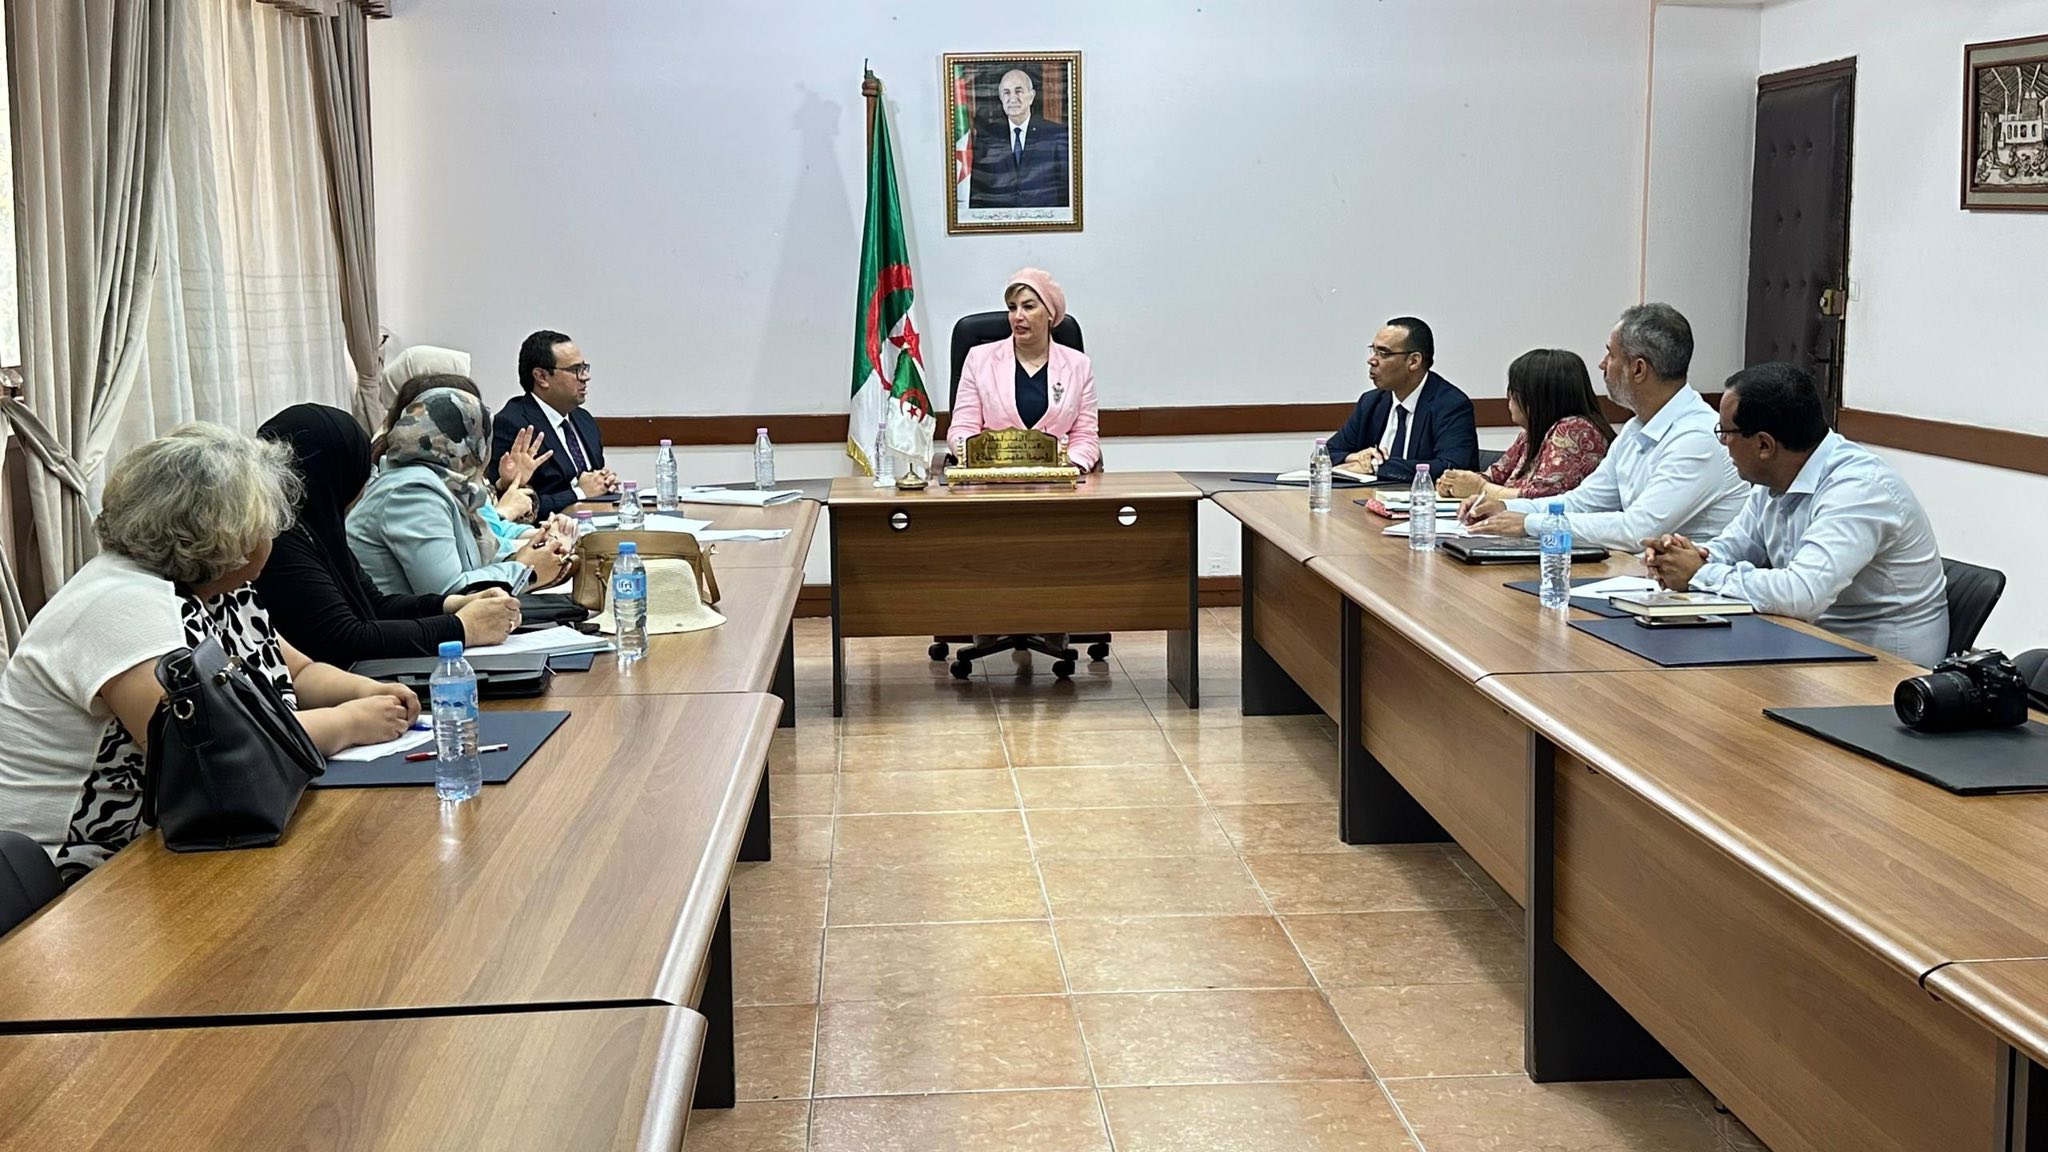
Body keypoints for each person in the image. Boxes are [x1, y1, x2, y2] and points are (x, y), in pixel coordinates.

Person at [0, 423, 419, 883]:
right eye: (266, 525)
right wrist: (350, 722)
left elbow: (297, 672)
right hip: (77, 870)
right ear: (230, 535)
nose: (272, 538)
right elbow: (216, 754)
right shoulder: (126, 607)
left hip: (181, 835)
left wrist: (366, 690)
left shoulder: (218, 587)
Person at [1642, 362, 1948, 666]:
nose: (1722, 443)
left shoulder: (1858, 488)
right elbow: (1734, 546)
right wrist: (1681, 557)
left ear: (1764, 445)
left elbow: (1801, 594)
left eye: (1725, 432)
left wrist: (1699, 573)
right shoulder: (1773, 478)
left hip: (1881, 665)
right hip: (1810, 643)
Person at [255, 403, 524, 668]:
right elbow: (346, 640)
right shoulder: (278, 542)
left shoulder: (316, 529)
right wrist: (463, 627)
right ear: (337, 471)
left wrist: (454, 605)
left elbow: (376, 605)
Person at [1462, 303, 1750, 549]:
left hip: (1692, 588)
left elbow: (1638, 531)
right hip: (1640, 574)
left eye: (1611, 355)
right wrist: (1505, 508)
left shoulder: (1697, 437)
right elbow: (1584, 502)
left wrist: (1530, 523)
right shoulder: (1637, 427)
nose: (1602, 365)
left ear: (1638, 369)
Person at [350, 383, 575, 597]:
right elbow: (448, 591)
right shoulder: (412, 492)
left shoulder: (446, 483)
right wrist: (525, 568)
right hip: (397, 622)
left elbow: (477, 556)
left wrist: (541, 547)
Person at [950, 268, 1099, 471]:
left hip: (1058, 480)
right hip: (992, 478)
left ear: (1050, 313)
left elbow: (1085, 436)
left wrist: (1065, 466)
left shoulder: (1079, 365)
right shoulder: (979, 359)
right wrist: (982, 459)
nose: (1017, 316)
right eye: (1012, 308)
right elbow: (962, 428)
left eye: (1028, 307)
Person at [1438, 348, 1614, 502]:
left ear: (1540, 397)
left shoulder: (1575, 429)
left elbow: (1543, 499)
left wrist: (1479, 489)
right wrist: (1456, 482)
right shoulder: (1529, 434)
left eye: (1515, 390)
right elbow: (1494, 476)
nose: (1509, 396)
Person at [1324, 316, 1478, 484]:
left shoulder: (1450, 405)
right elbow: (1325, 454)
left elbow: (1452, 468)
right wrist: (1356, 458)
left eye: (1383, 353)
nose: (1372, 360)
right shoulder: (1371, 402)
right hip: (1369, 497)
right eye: (1373, 350)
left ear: (1414, 361)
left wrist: (1378, 467)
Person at [491, 329, 617, 518]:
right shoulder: (513, 424)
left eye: (584, 368)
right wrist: (579, 493)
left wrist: (604, 482)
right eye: (575, 370)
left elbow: (593, 484)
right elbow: (509, 506)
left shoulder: (584, 420)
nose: (585, 377)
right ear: (541, 377)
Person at [969, 67, 1071, 209]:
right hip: (1001, 219)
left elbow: (1066, 188)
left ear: (1031, 96)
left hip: (1044, 219)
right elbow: (979, 189)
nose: (1012, 99)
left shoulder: (1054, 134)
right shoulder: (988, 136)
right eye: (1006, 93)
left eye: (1018, 91)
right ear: (1001, 98)